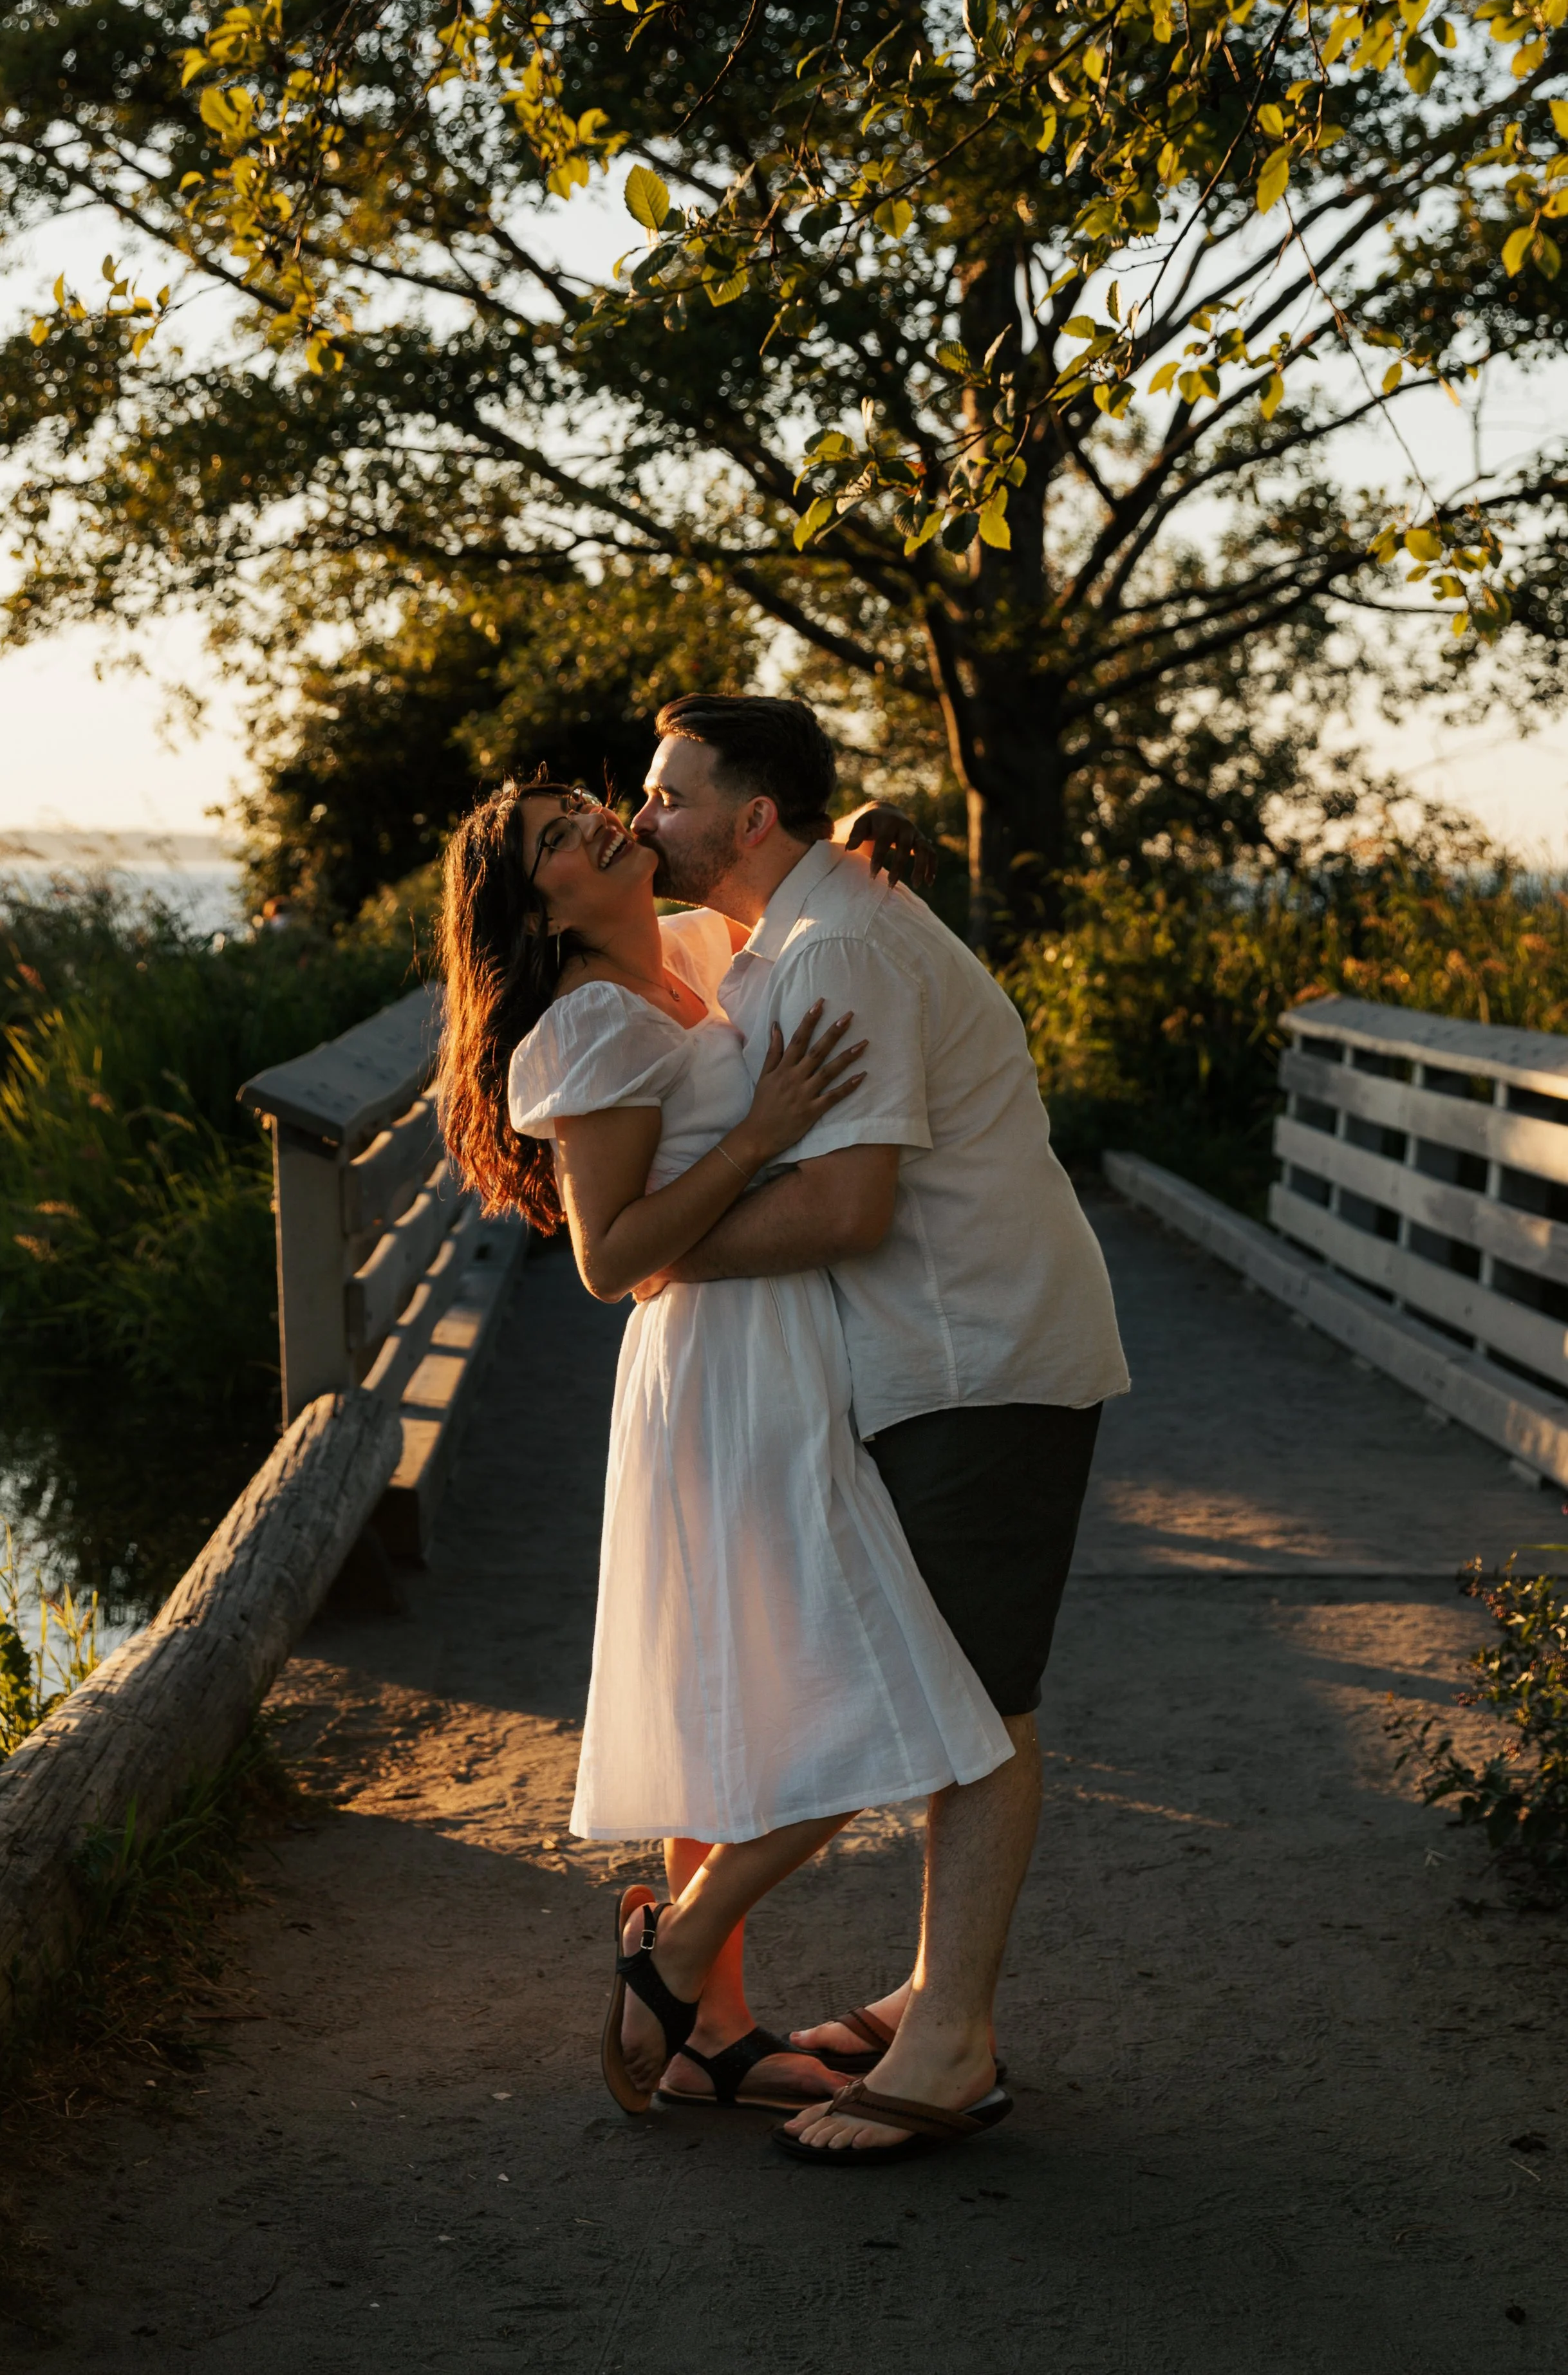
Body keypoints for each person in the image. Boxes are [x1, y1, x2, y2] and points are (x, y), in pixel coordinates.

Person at [436, 777, 1014, 2124]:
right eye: (552, 842)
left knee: (734, 1687)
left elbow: (784, 909)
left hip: (784, 1347)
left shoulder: (693, 954)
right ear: (542, 909)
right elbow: (607, 1257)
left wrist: (854, 841)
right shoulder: (591, 1022)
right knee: (876, 1700)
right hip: (720, 1372)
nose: (592, 826)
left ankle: (712, 2033)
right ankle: (678, 1949)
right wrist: (758, 1136)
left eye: (585, 807)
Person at [626, 693, 1130, 2161]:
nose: (641, 815)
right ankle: (930, 1996)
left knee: (968, 1699)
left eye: (666, 794)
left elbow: (849, 1207)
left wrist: (656, 1252)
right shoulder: (797, 922)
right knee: (945, 1688)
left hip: (981, 1352)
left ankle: (950, 2047)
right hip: (930, 1355)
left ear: (751, 819)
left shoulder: (835, 939)